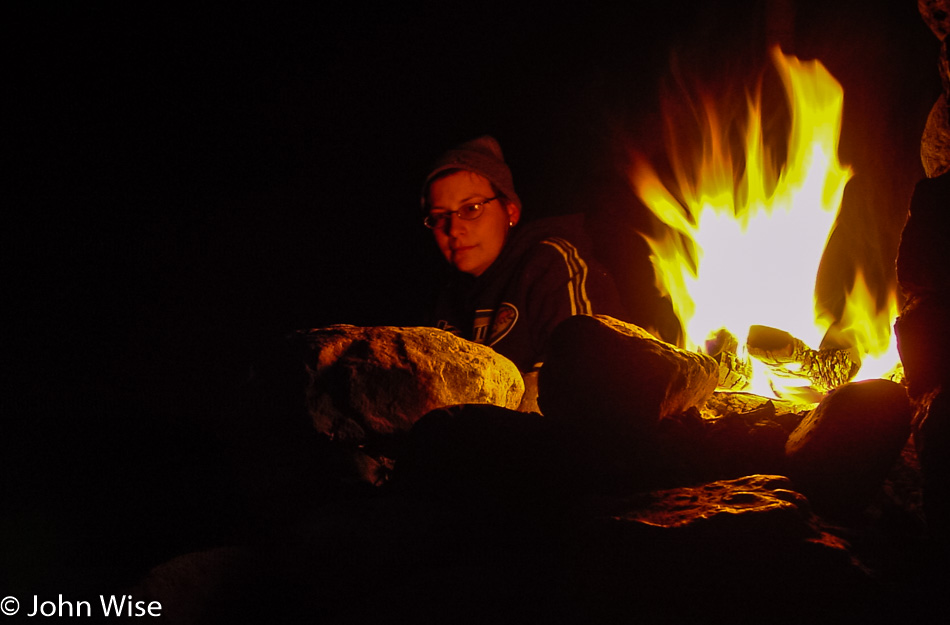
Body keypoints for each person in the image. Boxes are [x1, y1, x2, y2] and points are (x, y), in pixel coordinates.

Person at [421, 135, 629, 408]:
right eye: (439, 216)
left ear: (511, 210)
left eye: (471, 209)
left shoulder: (550, 264)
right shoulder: (448, 297)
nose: (453, 229)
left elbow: (587, 379)